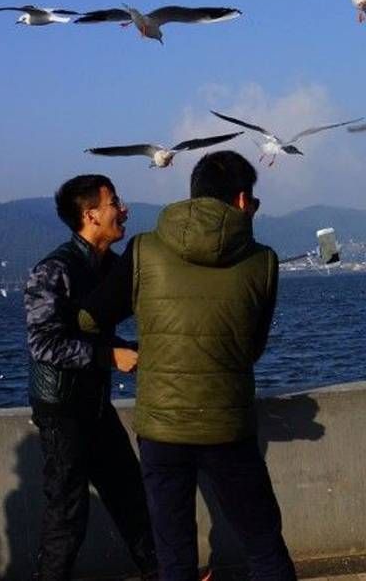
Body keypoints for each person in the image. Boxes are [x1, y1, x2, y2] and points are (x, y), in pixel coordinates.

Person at [79, 151, 296, 581]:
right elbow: (251, 348)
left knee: (174, 556)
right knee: (264, 547)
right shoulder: (262, 261)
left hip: (162, 431)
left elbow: (88, 319)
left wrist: (143, 347)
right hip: (227, 428)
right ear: (240, 201)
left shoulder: (143, 249)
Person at [24, 175, 158, 581]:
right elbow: (43, 344)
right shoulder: (53, 271)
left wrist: (128, 348)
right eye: (115, 202)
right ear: (92, 215)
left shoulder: (113, 268)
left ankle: (166, 573)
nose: (124, 210)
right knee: (67, 515)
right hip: (62, 412)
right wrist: (108, 355)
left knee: (132, 498)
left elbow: (98, 331)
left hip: (95, 405)